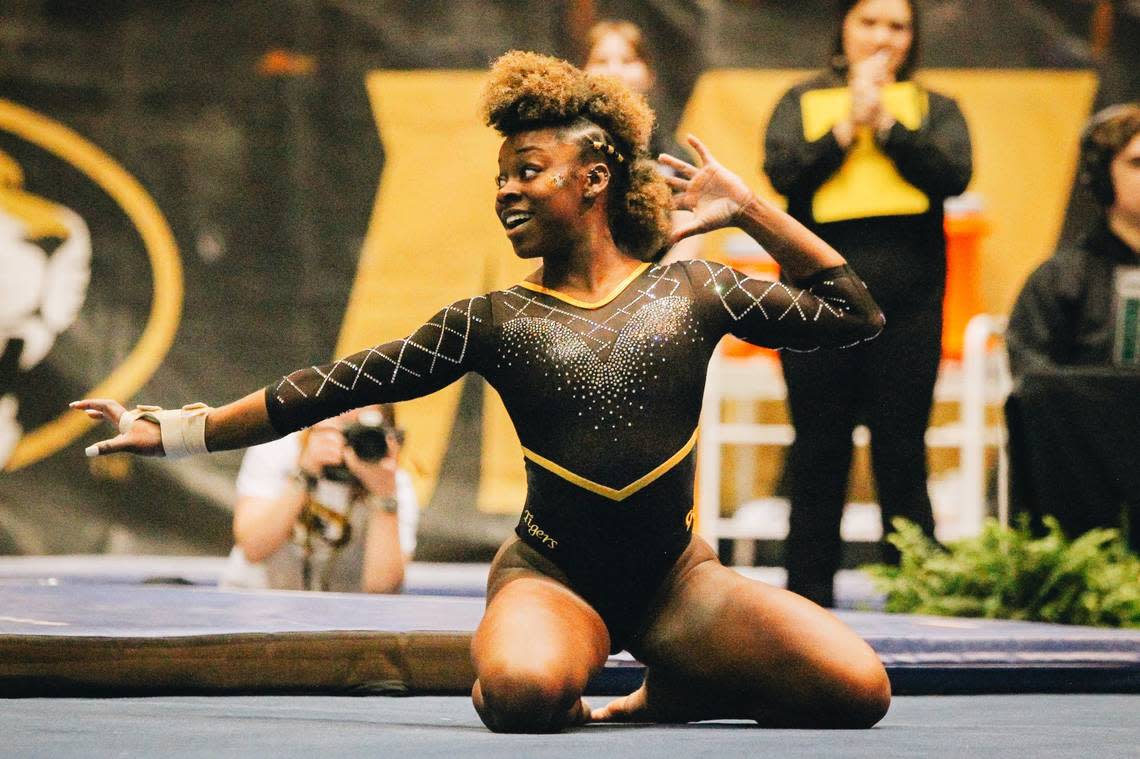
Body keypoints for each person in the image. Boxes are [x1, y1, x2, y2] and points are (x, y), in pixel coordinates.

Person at [74, 51, 889, 733]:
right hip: (554, 574)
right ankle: (591, 667)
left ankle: (665, 685)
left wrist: (746, 209)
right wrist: (183, 430)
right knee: (520, 695)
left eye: (528, 171)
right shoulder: (493, 320)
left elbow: (854, 311)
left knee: (860, 689)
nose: (506, 190)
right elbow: (331, 386)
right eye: (501, 177)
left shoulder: (694, 291)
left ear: (596, 177)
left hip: (677, 581)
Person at [763, 0, 972, 607]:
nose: (883, 36)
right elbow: (783, 173)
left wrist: (887, 128)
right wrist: (842, 130)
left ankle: (920, 592)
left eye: (897, 25)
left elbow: (954, 174)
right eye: (870, 22)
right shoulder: (800, 100)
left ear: (912, 38)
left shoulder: (937, 108)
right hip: (816, 304)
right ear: (844, 29)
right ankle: (805, 597)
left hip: (908, 308)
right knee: (818, 446)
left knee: (902, 446)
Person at [1004, 103, 1140, 549]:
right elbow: (1031, 379)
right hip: (1083, 470)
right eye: (1137, 163)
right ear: (1102, 177)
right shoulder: (1060, 278)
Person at [219, 403, 419, 593]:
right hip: (256, 598)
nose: (348, 445)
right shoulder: (278, 451)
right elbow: (253, 549)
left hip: (340, 617)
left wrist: (383, 496)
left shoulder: (394, 484)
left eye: (363, 432)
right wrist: (304, 474)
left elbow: (382, 587)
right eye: (344, 427)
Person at [582, 19, 701, 263]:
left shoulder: (672, 155)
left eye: (627, 60)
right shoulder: (563, 148)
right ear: (582, 71)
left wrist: (651, 292)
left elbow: (691, 237)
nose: (615, 71)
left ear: (649, 74)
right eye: (602, 61)